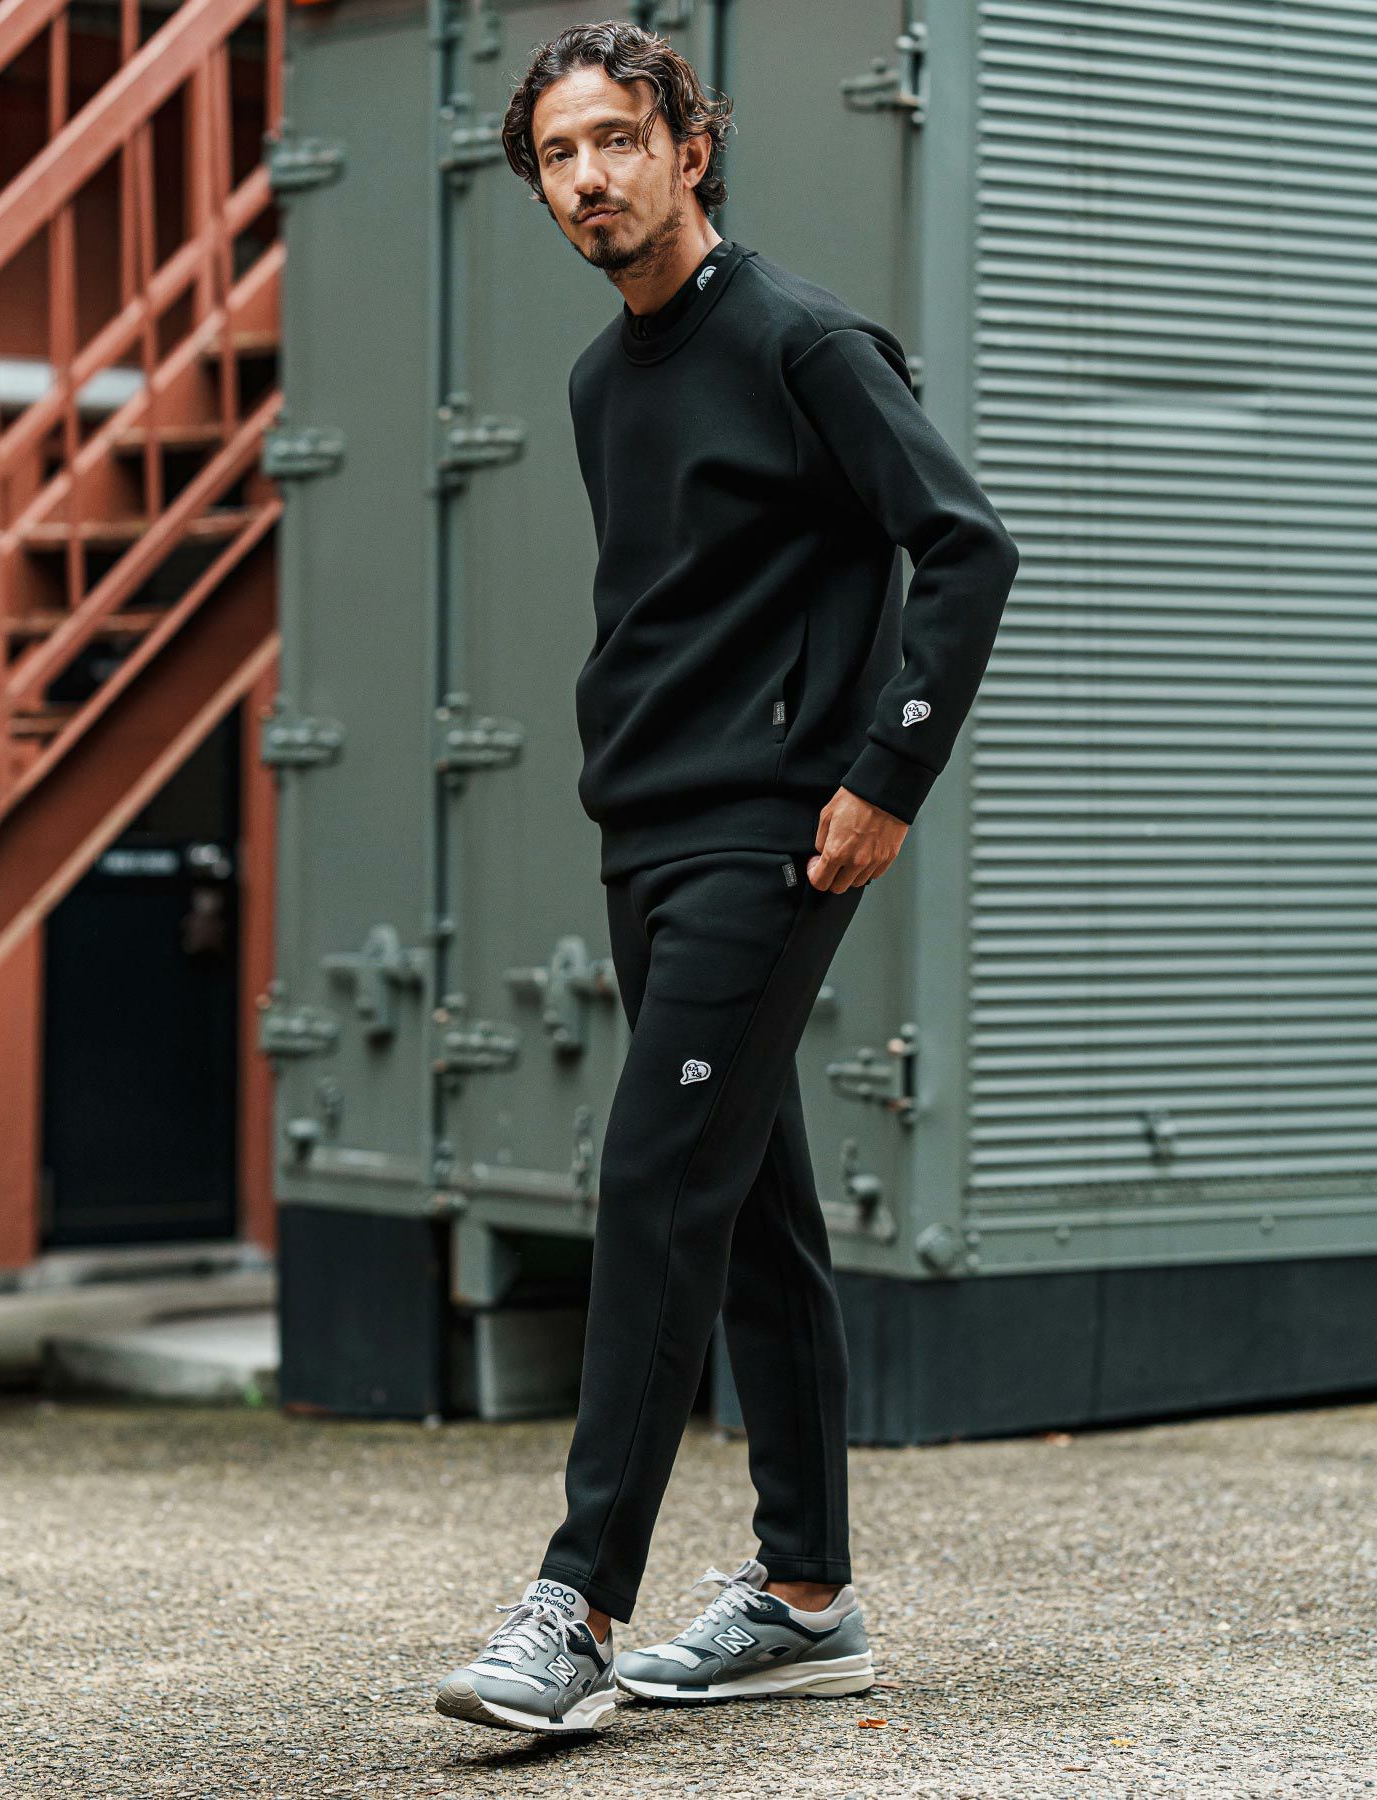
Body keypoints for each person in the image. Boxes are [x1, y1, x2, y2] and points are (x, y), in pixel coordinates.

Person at [434, 21, 1020, 1735]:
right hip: (649, 828)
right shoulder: (599, 383)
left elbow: (967, 545)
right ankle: (807, 1595)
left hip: (775, 834)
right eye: (558, 154)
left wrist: (887, 774)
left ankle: (576, 1608)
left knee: (654, 1181)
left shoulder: (803, 342)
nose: (588, 178)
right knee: (749, 1200)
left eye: (618, 139)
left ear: (691, 148)